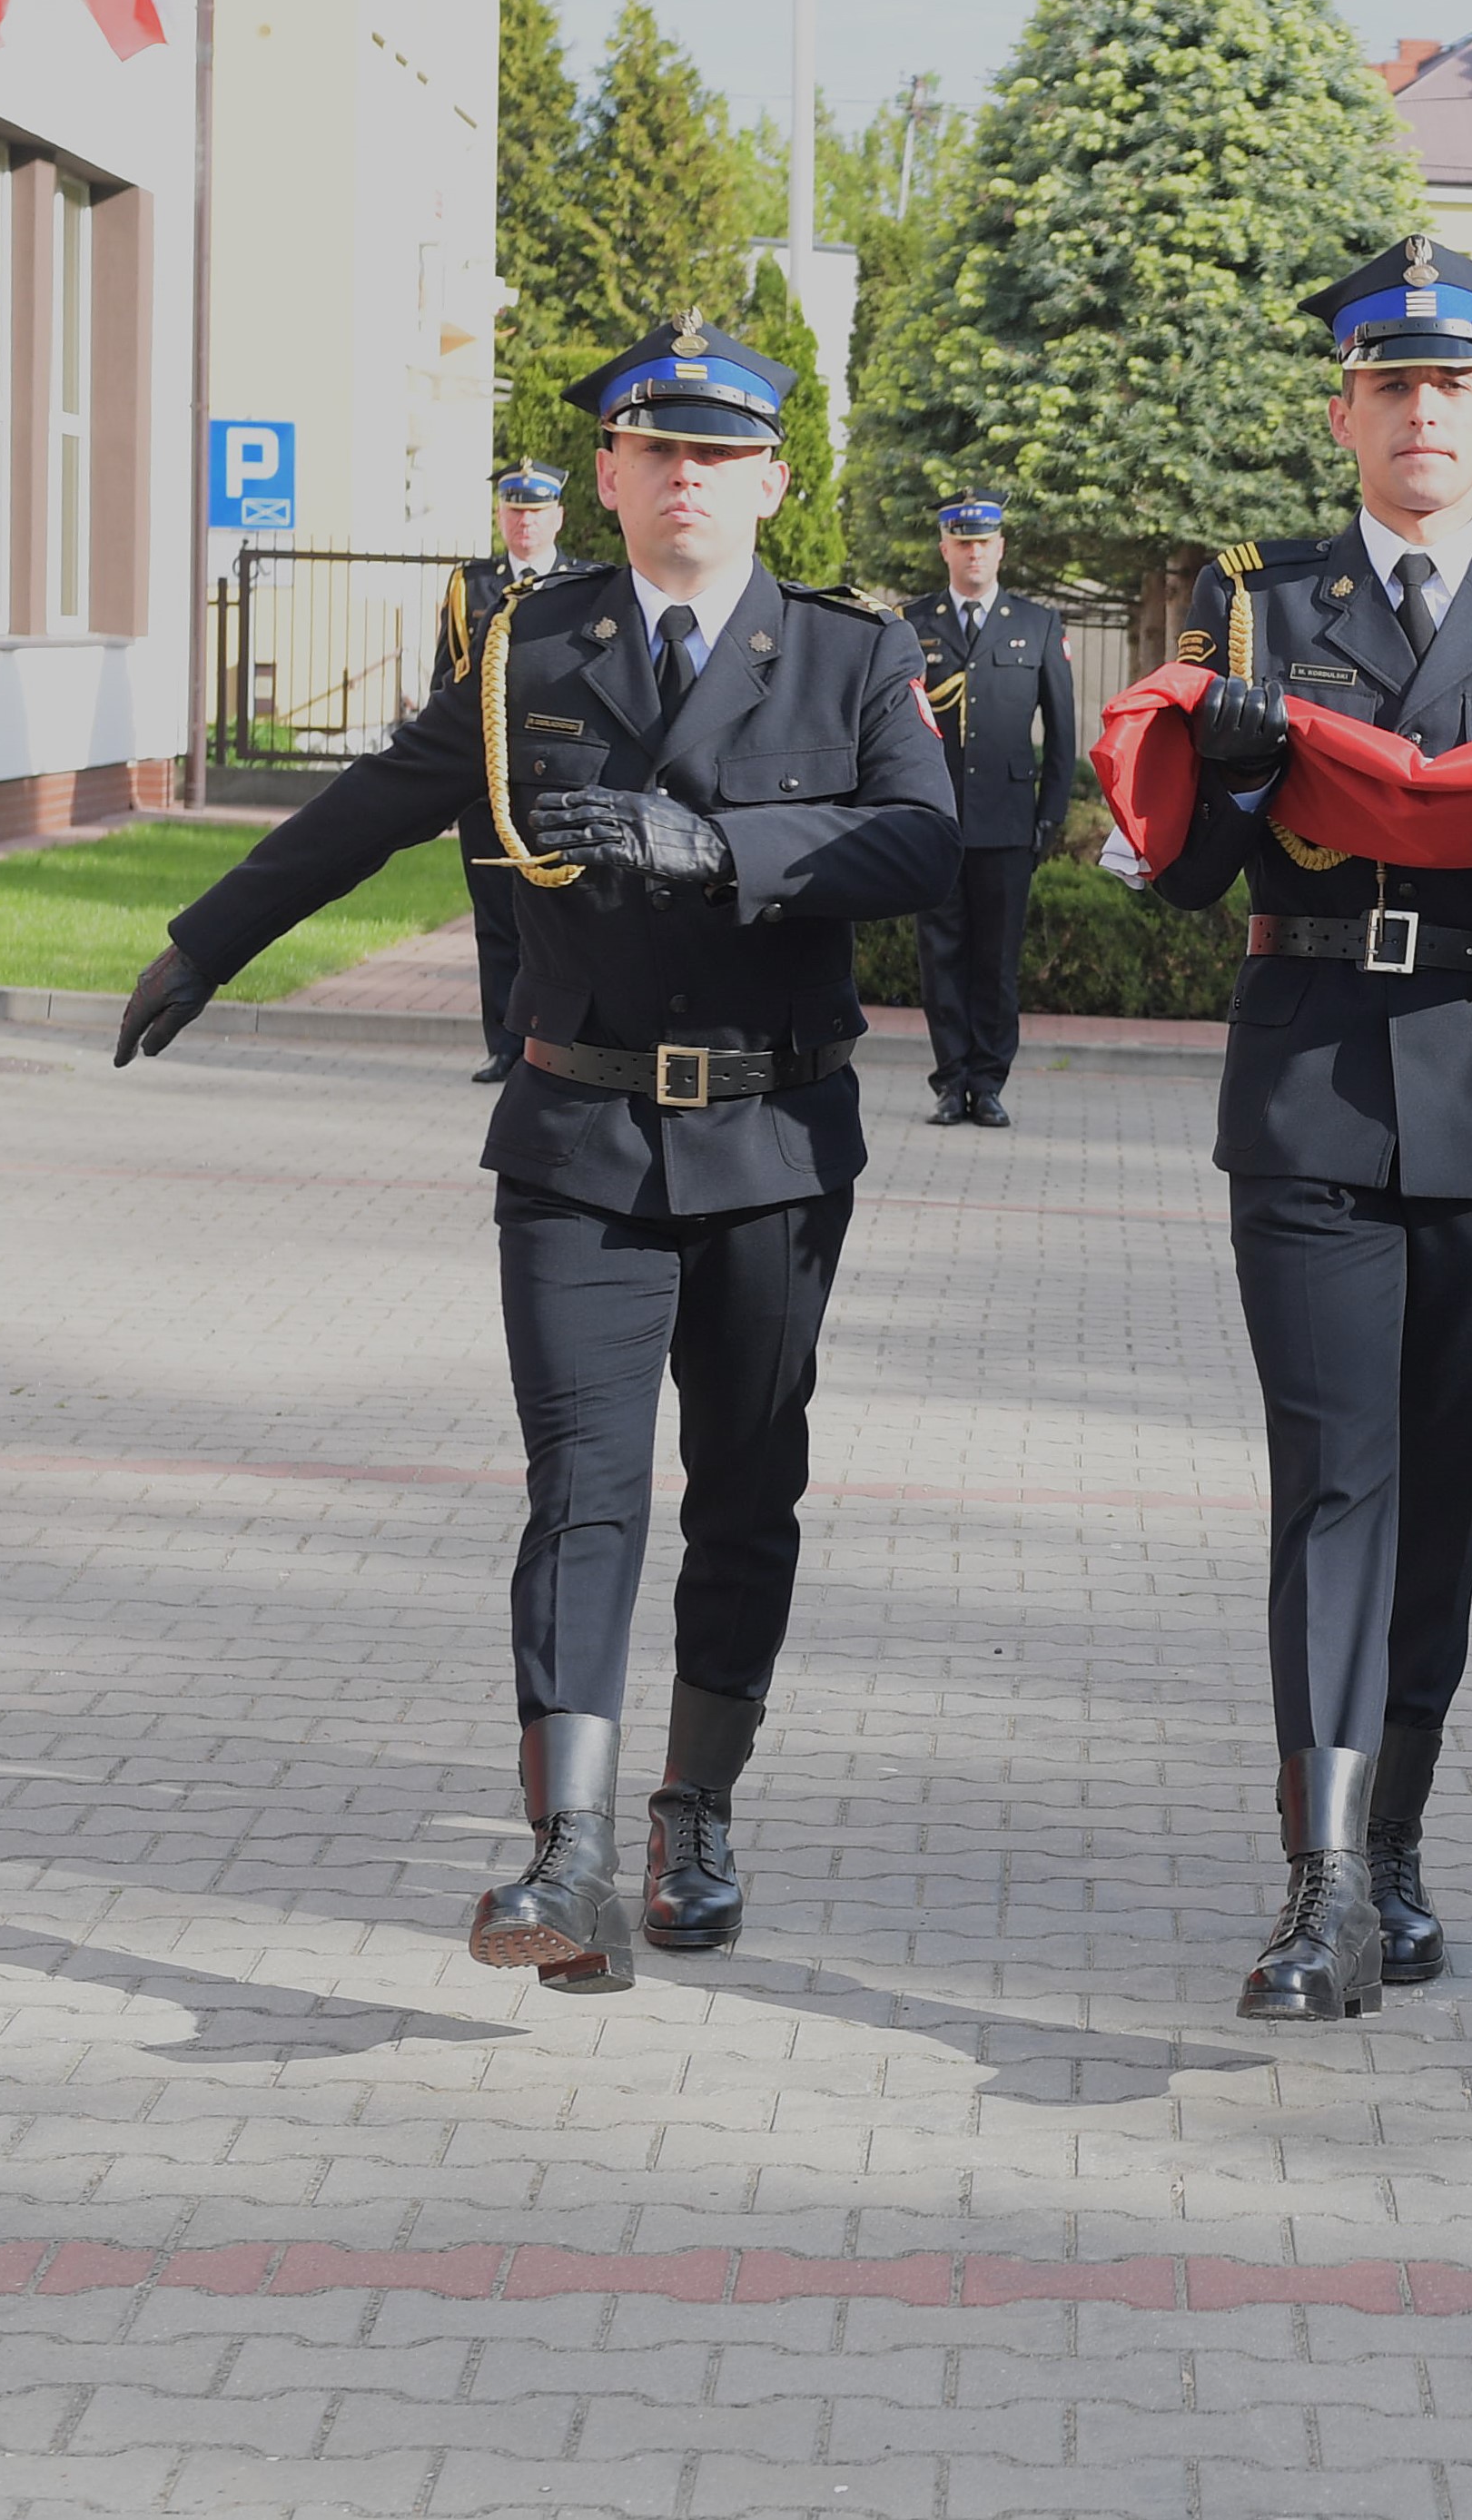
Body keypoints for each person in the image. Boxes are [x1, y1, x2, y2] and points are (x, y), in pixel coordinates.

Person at [114, 315, 956, 1991]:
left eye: (719, 454)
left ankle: (692, 1810)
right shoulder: (531, 649)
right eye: (659, 451)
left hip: (773, 1137)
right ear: (609, 476)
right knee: (582, 1484)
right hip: (579, 1131)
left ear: (772, 480)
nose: (687, 477)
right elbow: (373, 801)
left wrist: (717, 846)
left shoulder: (853, 653)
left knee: (748, 1487)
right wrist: (207, 941)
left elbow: (924, 842)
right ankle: (566, 1848)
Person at [1147, 234, 1472, 2023]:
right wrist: (1224, 783)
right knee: (1332, 1482)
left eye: (1451, 384)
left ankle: (1399, 1845)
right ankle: (1321, 1880)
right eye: (1390, 385)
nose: (1421, 412)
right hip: (1309, 1070)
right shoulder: (1256, 605)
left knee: (1440, 1493)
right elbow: (1175, 876)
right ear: (1344, 416)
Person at [907, 495, 1081, 1127]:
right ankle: (950, 1082)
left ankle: (988, 1083)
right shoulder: (913, 624)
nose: (974, 552)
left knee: (997, 961)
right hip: (935, 820)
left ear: (1001, 548)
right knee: (941, 957)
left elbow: (1061, 731)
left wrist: (1050, 816)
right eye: (962, 542)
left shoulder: (1038, 624)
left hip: (1008, 822)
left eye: (984, 542)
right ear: (945, 549)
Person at [441, 464, 570, 1081]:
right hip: (488, 779)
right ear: (501, 516)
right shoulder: (470, 585)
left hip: (555, 777)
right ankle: (505, 1046)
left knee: (560, 916)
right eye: (515, 511)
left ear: (558, 517)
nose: (526, 522)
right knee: (495, 917)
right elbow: (449, 678)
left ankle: (557, 1042)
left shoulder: (581, 584)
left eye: (537, 512)